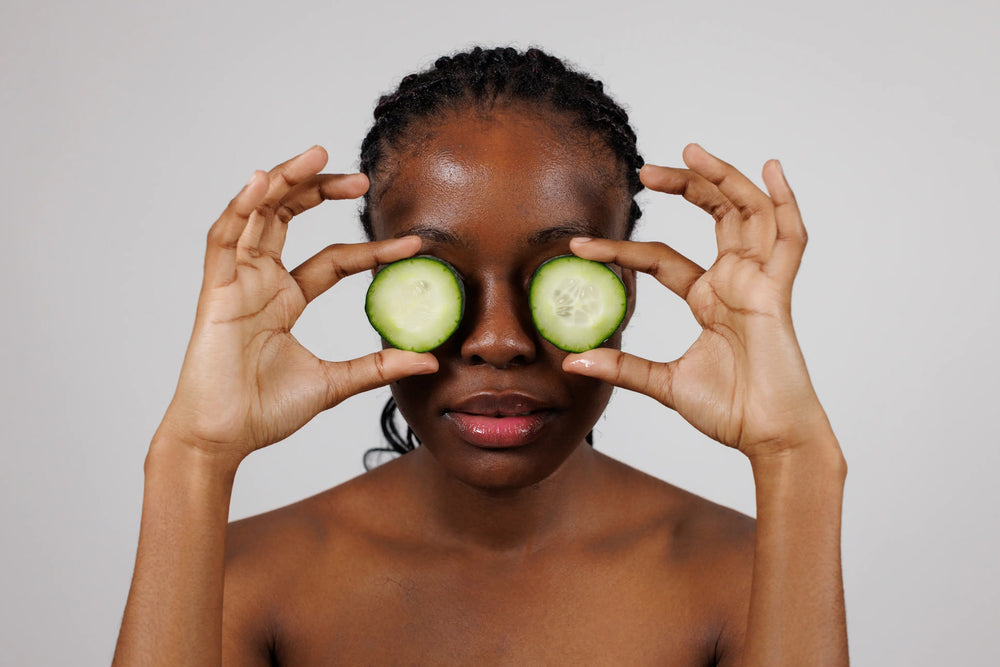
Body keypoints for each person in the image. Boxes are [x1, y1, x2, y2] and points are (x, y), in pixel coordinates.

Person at [113, 47, 848, 665]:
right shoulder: (244, 579)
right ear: (372, 289)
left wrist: (797, 457)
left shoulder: (746, 575)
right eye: (439, 280)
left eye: (560, 275)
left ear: (629, 286)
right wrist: (192, 454)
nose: (499, 340)